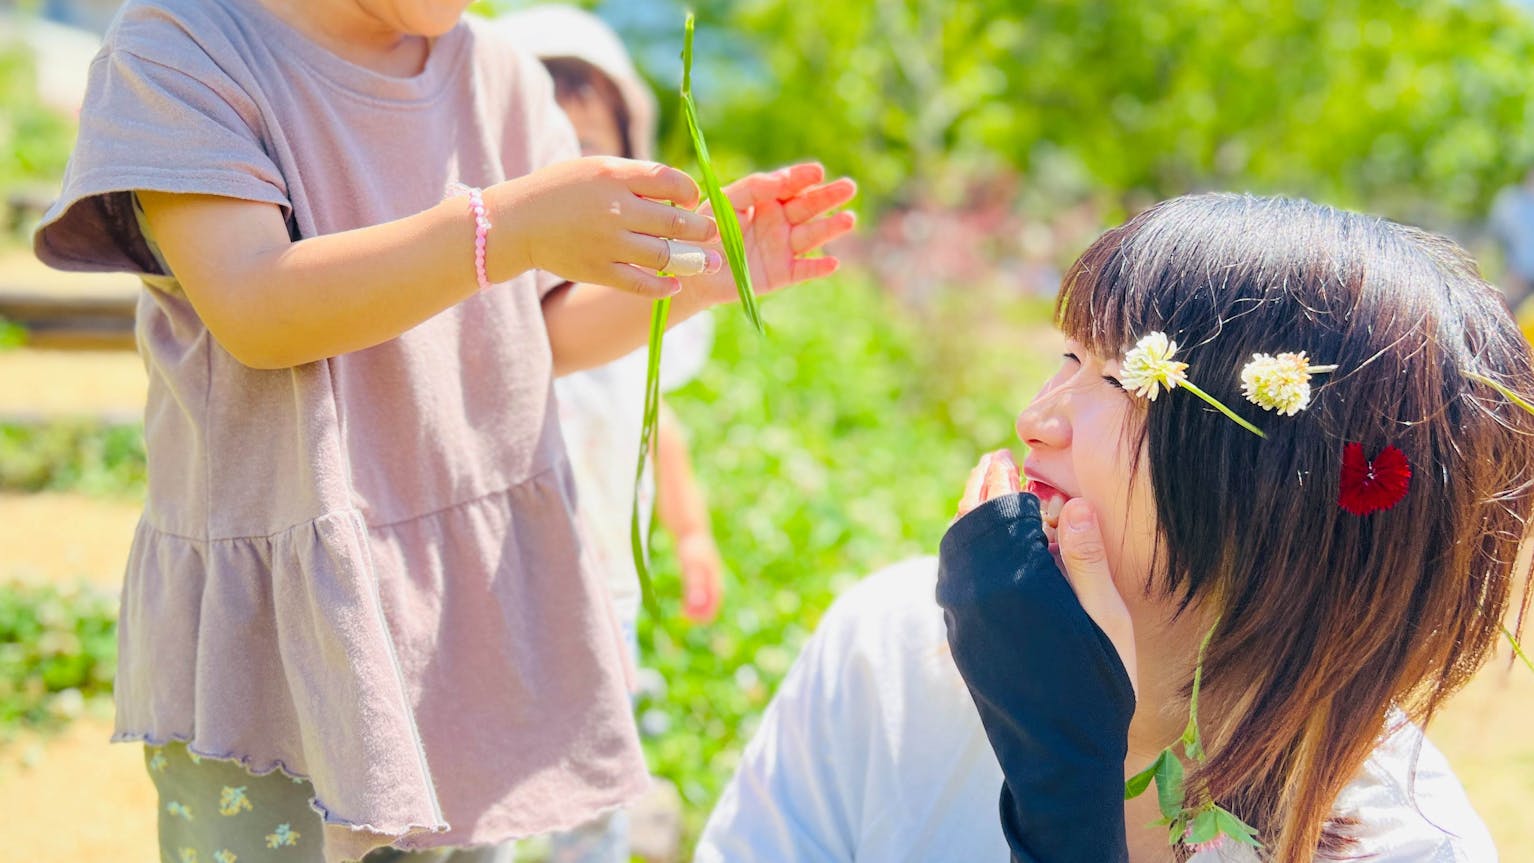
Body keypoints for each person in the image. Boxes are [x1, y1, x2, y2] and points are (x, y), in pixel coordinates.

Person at [30, 1, 854, 861]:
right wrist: (507, 226)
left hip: (463, 616)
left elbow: (541, 331)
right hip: (282, 638)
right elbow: (256, 306)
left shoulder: (498, 74)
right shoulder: (182, 47)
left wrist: (709, 270)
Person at [697, 193, 1524, 863]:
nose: (1035, 420)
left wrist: (1066, 790)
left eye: (1123, 377)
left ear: (1278, 489)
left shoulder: (1406, 841)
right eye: (1067, 360)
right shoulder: (888, 649)